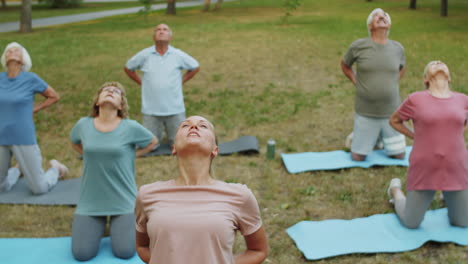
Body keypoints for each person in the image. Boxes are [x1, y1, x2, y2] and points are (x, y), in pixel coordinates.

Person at [135, 116, 268, 264]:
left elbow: (258, 250)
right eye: (185, 125)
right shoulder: (147, 195)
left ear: (215, 150)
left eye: (203, 126)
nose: (194, 127)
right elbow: (142, 246)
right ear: (173, 148)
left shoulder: (240, 196)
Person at [70, 82, 158, 261]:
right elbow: (74, 141)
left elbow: (153, 142)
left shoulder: (130, 127)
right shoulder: (83, 124)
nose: (110, 91)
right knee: (82, 254)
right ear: (97, 102)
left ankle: (116, 224)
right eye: (105, 90)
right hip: (91, 201)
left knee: (125, 252)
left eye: (116, 92)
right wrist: (87, 154)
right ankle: (100, 223)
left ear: (120, 105)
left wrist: (132, 155)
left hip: (123, 199)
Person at [387, 61, 468, 229]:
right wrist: (415, 135)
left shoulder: (463, 100)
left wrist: (457, 132)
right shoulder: (415, 99)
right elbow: (394, 121)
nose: (439, 63)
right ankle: (395, 190)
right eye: (433, 64)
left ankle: (448, 197)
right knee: (411, 222)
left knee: (462, 222)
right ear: (425, 78)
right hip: (425, 168)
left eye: (443, 64)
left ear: (449, 77)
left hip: (456, 168)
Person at [0, 42, 68, 194]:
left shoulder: (31, 79)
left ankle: (56, 169)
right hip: (1, 136)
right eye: (8, 50)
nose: (12, 52)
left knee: (39, 188)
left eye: (16, 50)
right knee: (1, 188)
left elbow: (53, 96)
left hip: (23, 136)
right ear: (4, 57)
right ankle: (17, 170)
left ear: (23, 58)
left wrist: (35, 109)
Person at [340, 8, 406, 161]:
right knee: (357, 157)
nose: (382, 16)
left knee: (400, 156)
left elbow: (402, 68)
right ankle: (361, 136)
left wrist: (392, 83)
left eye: (385, 15)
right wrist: (355, 80)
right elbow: (345, 65)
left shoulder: (398, 48)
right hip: (365, 111)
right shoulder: (358, 46)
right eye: (377, 15)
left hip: (392, 113)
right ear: (370, 26)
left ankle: (379, 138)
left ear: (389, 25)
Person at [124, 23, 200, 147]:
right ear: (153, 36)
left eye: (165, 29)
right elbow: (128, 68)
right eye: (158, 30)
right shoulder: (144, 55)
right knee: (149, 146)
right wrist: (142, 83)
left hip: (175, 109)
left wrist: (181, 81)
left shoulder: (178, 54)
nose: (161, 31)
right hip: (151, 110)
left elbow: (195, 67)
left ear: (170, 36)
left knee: (180, 145)